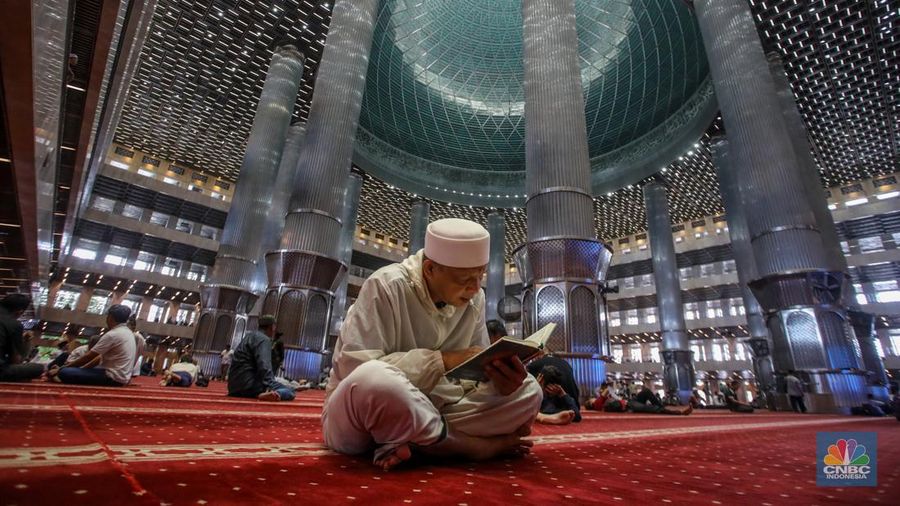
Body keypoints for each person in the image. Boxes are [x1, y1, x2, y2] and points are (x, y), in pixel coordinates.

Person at [323, 218, 542, 471]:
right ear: (429, 269)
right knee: (375, 380)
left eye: (480, 275)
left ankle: (421, 441)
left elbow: (473, 371)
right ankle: (471, 446)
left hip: (436, 410)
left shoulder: (475, 298)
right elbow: (355, 373)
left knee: (529, 390)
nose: (474, 288)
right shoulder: (385, 286)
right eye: (464, 279)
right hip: (358, 422)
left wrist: (500, 381)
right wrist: (443, 360)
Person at [50, 305, 136, 387]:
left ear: (110, 317)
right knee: (68, 371)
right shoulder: (128, 333)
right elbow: (98, 358)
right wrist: (81, 369)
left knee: (65, 372)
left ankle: (60, 375)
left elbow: (89, 357)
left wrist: (61, 369)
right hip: (122, 378)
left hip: (111, 378)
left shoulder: (113, 334)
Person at [227, 315, 295, 401]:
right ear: (272, 327)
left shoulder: (249, 336)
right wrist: (271, 383)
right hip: (250, 387)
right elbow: (264, 364)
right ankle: (271, 394)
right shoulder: (264, 339)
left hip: (234, 388)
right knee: (290, 391)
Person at [0, 294, 43, 382]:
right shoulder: (15, 324)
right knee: (38, 368)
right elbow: (16, 360)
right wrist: (26, 342)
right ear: (19, 312)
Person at [527, 354, 580, 419]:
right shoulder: (563, 398)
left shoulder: (547, 400)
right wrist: (563, 394)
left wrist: (535, 388)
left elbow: (576, 415)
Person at [628, 385, 692, 415]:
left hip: (630, 401)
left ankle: (662, 407)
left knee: (646, 391)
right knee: (648, 408)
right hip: (628, 406)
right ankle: (677, 412)